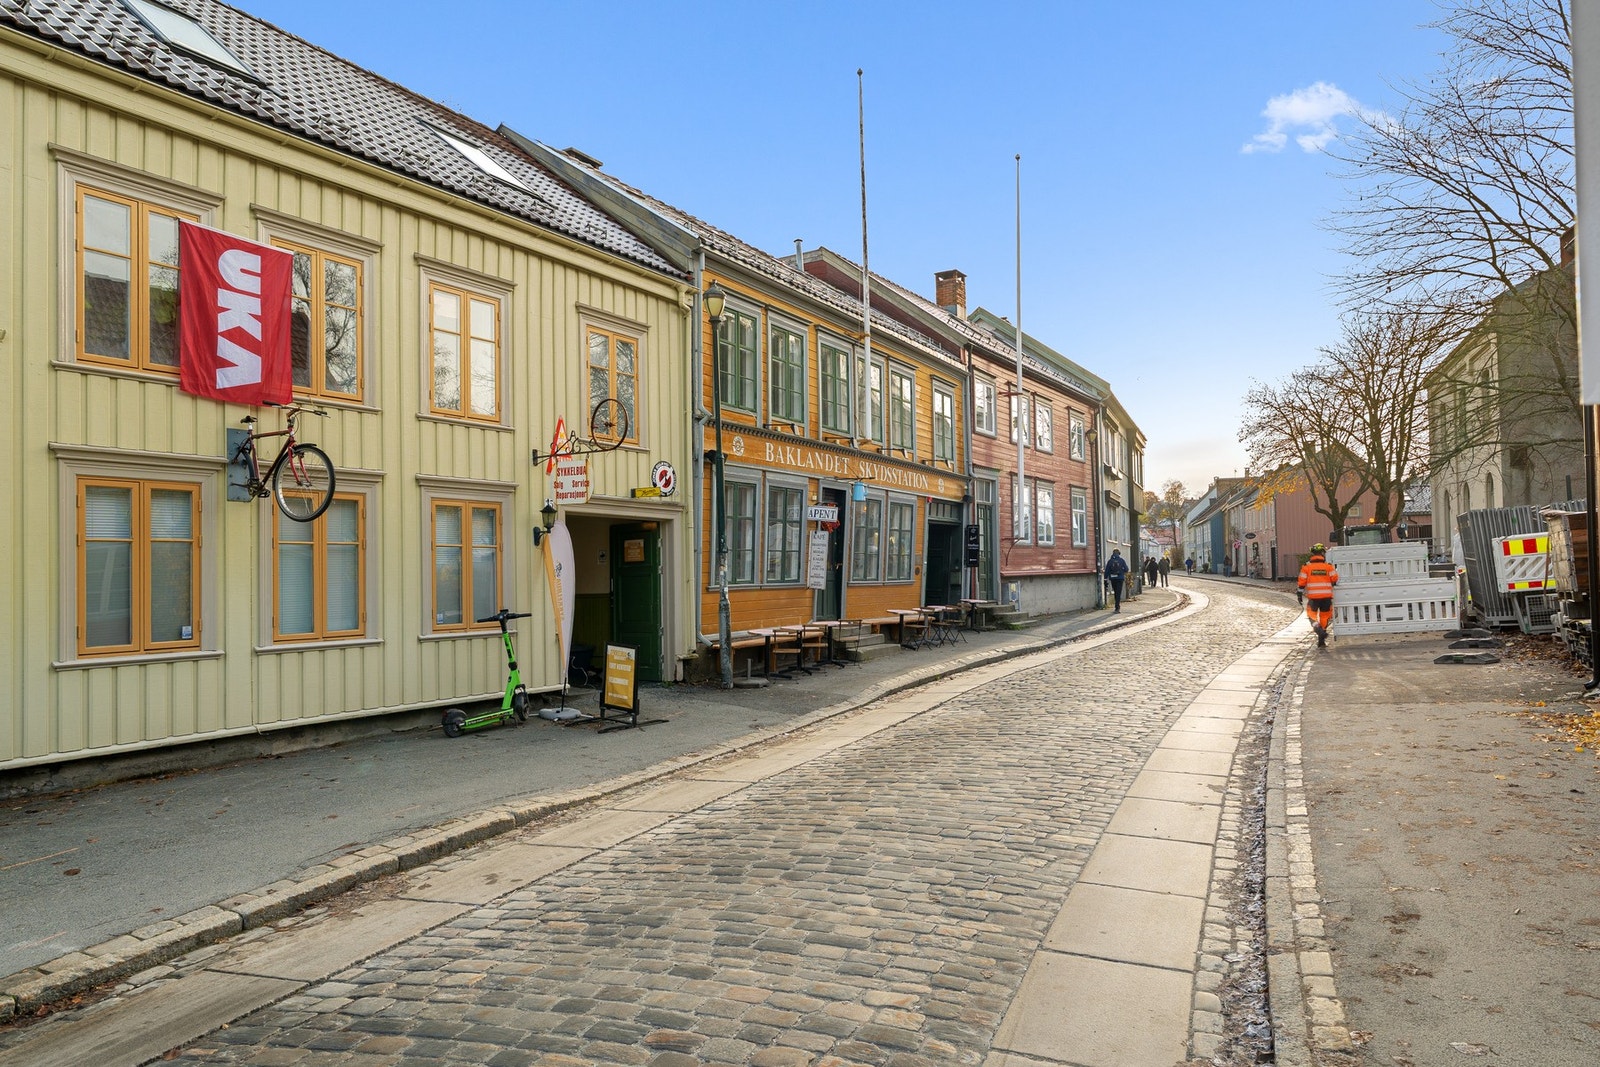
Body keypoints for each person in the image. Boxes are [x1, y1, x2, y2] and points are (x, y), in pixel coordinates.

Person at [1297, 542, 1339, 648]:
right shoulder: (1328, 567)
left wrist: (1299, 594)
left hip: (1313, 598)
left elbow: (1302, 582)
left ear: (1312, 554)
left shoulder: (1306, 567)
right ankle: (1321, 639)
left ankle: (1319, 630)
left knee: (1311, 616)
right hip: (1326, 597)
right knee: (1324, 617)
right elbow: (1335, 579)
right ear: (1322, 553)